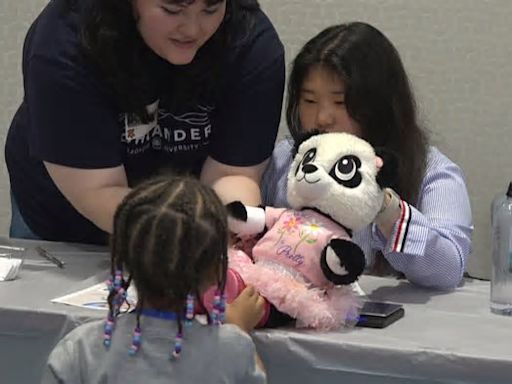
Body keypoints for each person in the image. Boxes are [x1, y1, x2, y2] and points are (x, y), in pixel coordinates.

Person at [5, 0, 284, 244]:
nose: (193, 29)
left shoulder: (250, 43)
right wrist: (186, 238)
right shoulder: (66, 43)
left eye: (211, 9)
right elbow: (100, 191)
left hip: (190, 210)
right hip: (66, 216)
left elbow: (231, 174)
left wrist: (227, 229)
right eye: (172, 9)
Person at [262, 22, 473, 290]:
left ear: (379, 104)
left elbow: (449, 270)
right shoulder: (284, 160)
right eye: (310, 101)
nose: (322, 118)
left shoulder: (432, 171)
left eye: (340, 102)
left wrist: (387, 210)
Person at [42, 176, 267, 384]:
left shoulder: (80, 349)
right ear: (217, 271)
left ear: (123, 257)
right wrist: (239, 328)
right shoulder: (232, 349)